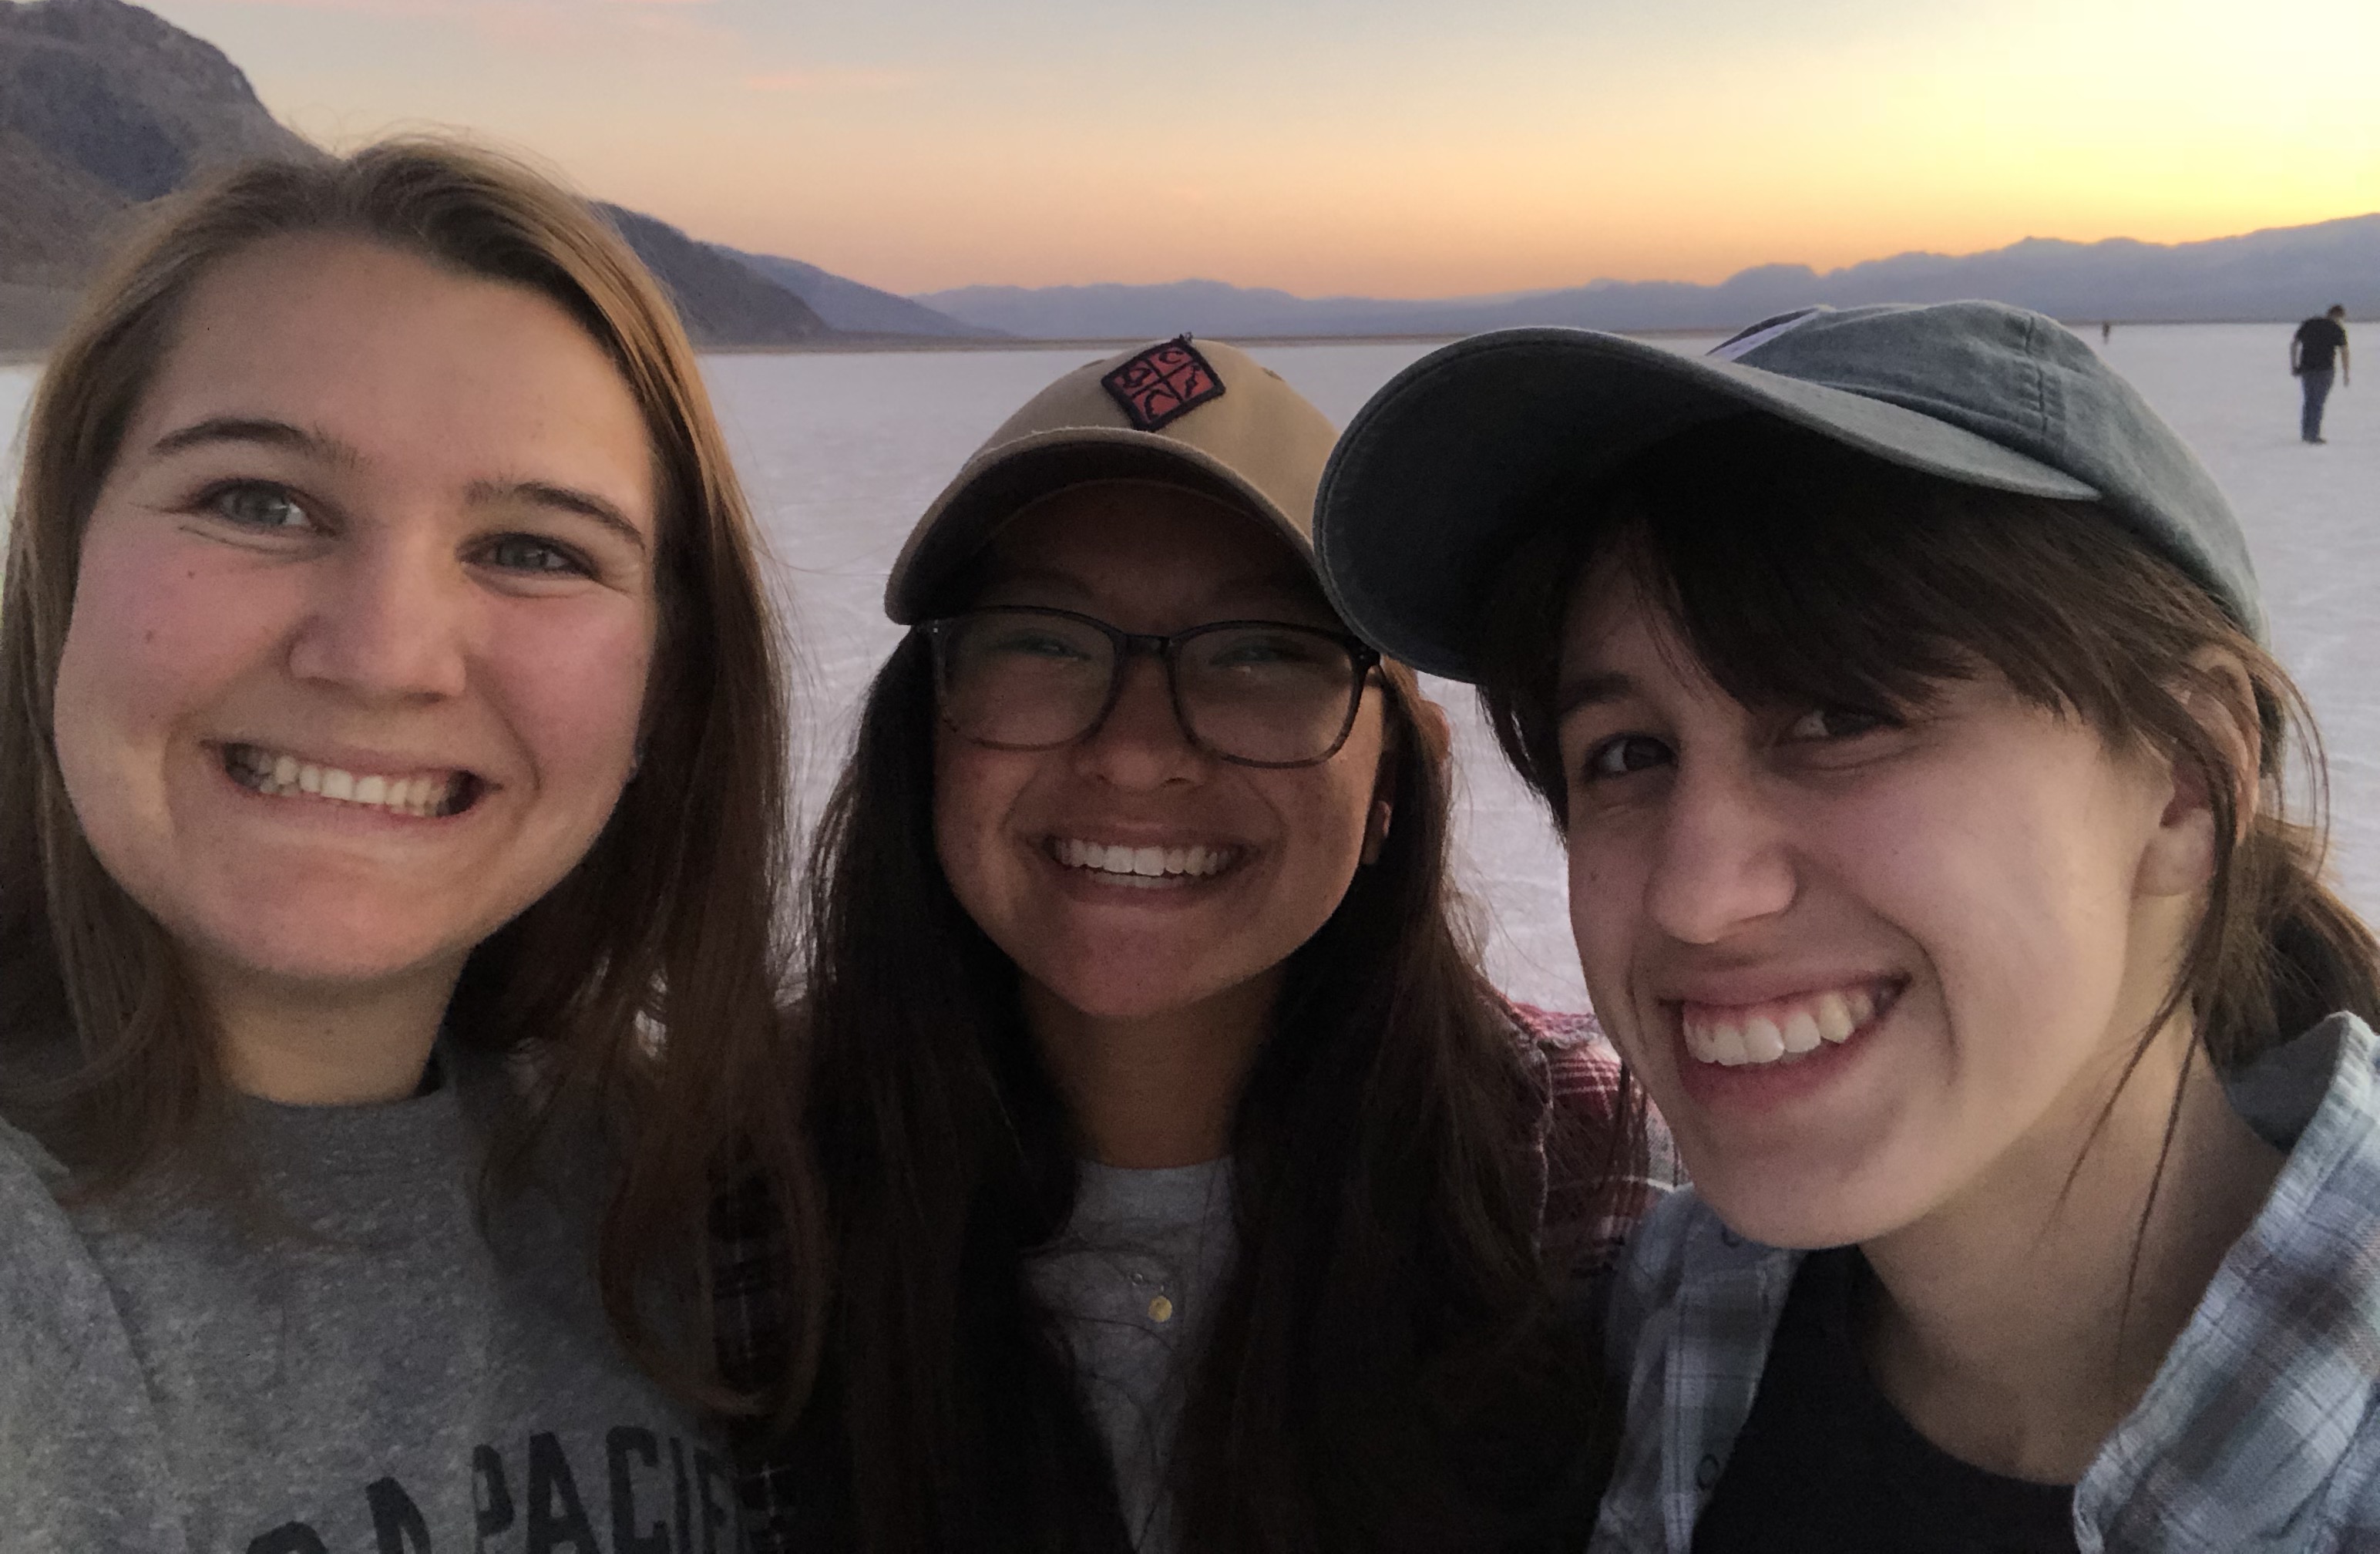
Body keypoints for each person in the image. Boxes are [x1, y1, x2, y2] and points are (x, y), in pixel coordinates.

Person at [1316, 302, 2380, 1551]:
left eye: (1840, 717)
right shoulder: (1671, 1323)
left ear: (2185, 785)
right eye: (1629, 752)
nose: (1696, 896)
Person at [724, 337, 1669, 1554]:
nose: (1135, 753)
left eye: (1260, 652)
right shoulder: (734, 1200)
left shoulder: (1584, 1174)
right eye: (1043, 640)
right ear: (930, 734)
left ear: (1395, 779)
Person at [0, 140, 808, 1550]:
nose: (381, 656)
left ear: (663, 686)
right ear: (67, 568)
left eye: (534, 549)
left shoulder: (672, 1206)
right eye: (259, 502)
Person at [2291, 304, 2350, 443]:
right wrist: (2346, 372)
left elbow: (2294, 344)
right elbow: (2344, 351)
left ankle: (2306, 433)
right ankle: (2313, 435)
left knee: (2309, 400)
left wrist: (2294, 364)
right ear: (2338, 316)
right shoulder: (2336, 329)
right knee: (2318, 402)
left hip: (2307, 368)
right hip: (2325, 369)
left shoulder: (2309, 324)